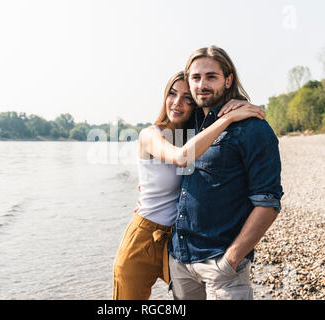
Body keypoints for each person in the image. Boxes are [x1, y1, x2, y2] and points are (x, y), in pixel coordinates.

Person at [112, 71, 266, 300]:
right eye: (172, 94)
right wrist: (228, 119)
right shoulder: (150, 135)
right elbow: (181, 157)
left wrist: (234, 106)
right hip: (143, 236)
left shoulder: (195, 136)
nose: (177, 103)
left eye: (187, 98)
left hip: (177, 240)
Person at [168, 46, 284, 300]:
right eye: (196, 78)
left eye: (211, 76)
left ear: (228, 79)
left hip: (221, 265)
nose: (202, 85)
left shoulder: (253, 129)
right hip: (180, 261)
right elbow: (165, 155)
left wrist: (230, 260)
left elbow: (268, 202)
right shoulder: (191, 123)